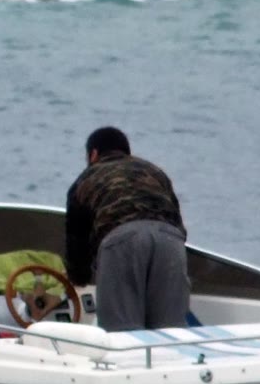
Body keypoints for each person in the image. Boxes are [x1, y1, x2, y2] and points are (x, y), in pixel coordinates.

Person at [63, 126, 189, 332]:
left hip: (121, 240)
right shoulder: (154, 172)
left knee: (123, 333)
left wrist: (78, 278)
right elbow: (176, 218)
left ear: (93, 154)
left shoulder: (86, 179)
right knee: (170, 331)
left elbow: (77, 240)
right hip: (170, 241)